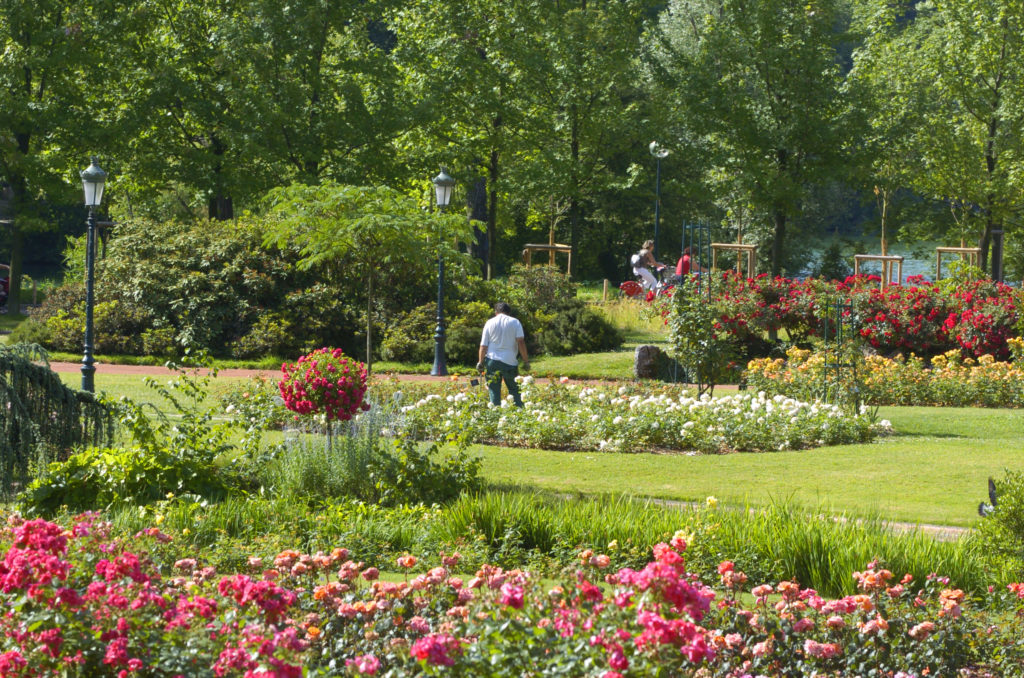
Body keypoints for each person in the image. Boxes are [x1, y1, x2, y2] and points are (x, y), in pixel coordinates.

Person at [476, 302, 530, 407]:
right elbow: (521, 342)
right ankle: (518, 413)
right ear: (508, 312)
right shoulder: (515, 322)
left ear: (495, 312)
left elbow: (483, 345)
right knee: (514, 390)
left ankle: (495, 415)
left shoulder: (489, 322)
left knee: (494, 390)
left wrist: (480, 362)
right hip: (510, 361)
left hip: (492, 361)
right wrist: (526, 361)